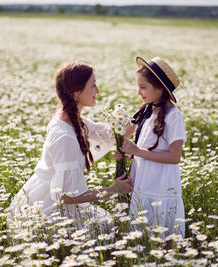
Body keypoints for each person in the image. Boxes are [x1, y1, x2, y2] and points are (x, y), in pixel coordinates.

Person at [8, 61, 133, 230]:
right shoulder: (65, 137)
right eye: (93, 86)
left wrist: (145, 113)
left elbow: (110, 134)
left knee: (105, 224)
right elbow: (66, 197)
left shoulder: (73, 119)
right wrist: (113, 189)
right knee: (104, 227)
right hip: (47, 205)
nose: (98, 91)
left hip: (54, 197)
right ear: (76, 93)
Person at [116, 56, 187, 239]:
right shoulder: (146, 111)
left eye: (143, 87)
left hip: (160, 184)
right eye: (138, 86)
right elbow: (135, 142)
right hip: (143, 180)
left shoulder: (173, 116)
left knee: (161, 230)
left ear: (160, 88)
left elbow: (174, 156)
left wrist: (137, 151)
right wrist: (124, 152)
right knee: (142, 232)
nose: (139, 92)